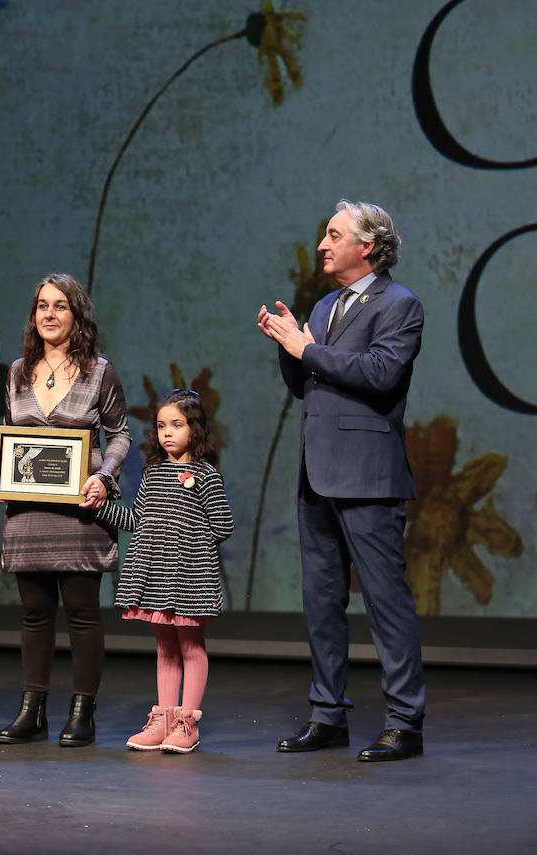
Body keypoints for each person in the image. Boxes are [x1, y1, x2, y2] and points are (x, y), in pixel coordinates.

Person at [257, 199, 426, 762]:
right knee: (321, 601)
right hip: (318, 474)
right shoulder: (326, 304)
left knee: (385, 603)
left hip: (368, 477)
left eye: (334, 235)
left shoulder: (400, 305)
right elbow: (310, 383)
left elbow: (380, 375)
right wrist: (290, 348)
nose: (323, 244)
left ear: (368, 246)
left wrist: (310, 349)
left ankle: (405, 722)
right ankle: (327, 714)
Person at [0, 274, 131, 747]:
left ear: (77, 315)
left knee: (83, 613)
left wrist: (104, 477)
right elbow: (7, 438)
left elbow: (121, 434)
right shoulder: (16, 372)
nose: (48, 314)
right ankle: (33, 711)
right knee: (35, 613)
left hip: (80, 512)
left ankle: (81, 712)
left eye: (60, 306)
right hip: (29, 513)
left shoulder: (99, 372)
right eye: (42, 306)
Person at [98, 390, 233, 753]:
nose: (167, 433)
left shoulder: (205, 475)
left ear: (196, 428)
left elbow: (223, 526)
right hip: (155, 574)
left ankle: (188, 722)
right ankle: (165, 721)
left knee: (190, 645)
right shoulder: (153, 473)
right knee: (165, 647)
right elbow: (137, 520)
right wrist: (100, 508)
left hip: (188, 575)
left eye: (177, 424)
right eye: (161, 426)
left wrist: (186, 539)